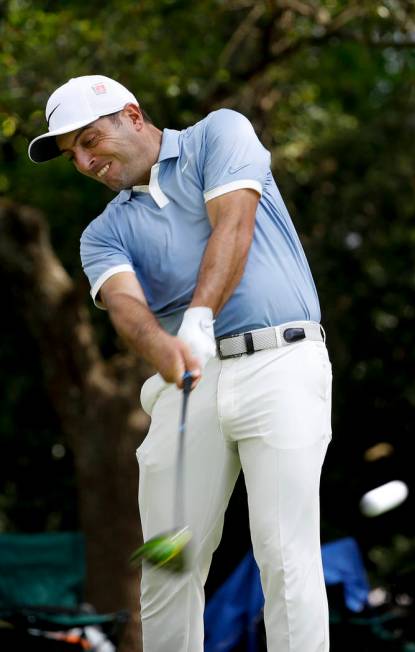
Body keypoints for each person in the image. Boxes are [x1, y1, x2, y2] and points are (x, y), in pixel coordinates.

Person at [28, 74, 333, 652]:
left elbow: (234, 222)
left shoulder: (219, 134)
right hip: (188, 384)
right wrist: (162, 347)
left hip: (281, 362)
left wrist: (197, 316)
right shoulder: (103, 233)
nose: (87, 161)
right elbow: (125, 307)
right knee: (168, 565)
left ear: (132, 115)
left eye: (91, 140)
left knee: (284, 552)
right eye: (74, 155)